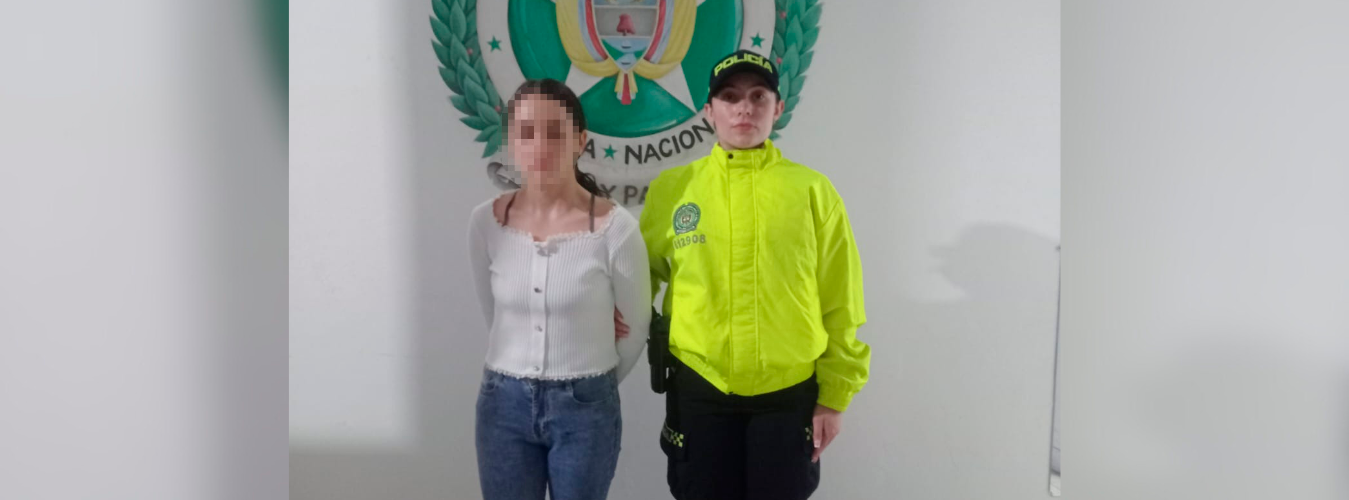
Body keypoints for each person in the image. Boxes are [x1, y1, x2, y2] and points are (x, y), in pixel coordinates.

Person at [640, 50, 871, 500]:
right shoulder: (674, 189)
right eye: (729, 97)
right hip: (699, 388)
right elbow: (638, 278)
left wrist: (835, 394)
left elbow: (842, 298)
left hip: (789, 395)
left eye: (758, 96)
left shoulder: (812, 190)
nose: (744, 108)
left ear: (777, 108)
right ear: (709, 111)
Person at [467, 78, 651, 500]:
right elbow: (495, 317)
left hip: (585, 410)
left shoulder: (616, 229)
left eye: (555, 132)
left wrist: (591, 385)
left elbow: (635, 329)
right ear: (511, 142)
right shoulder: (485, 223)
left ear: (579, 141)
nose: (540, 146)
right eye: (527, 132)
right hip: (502, 406)